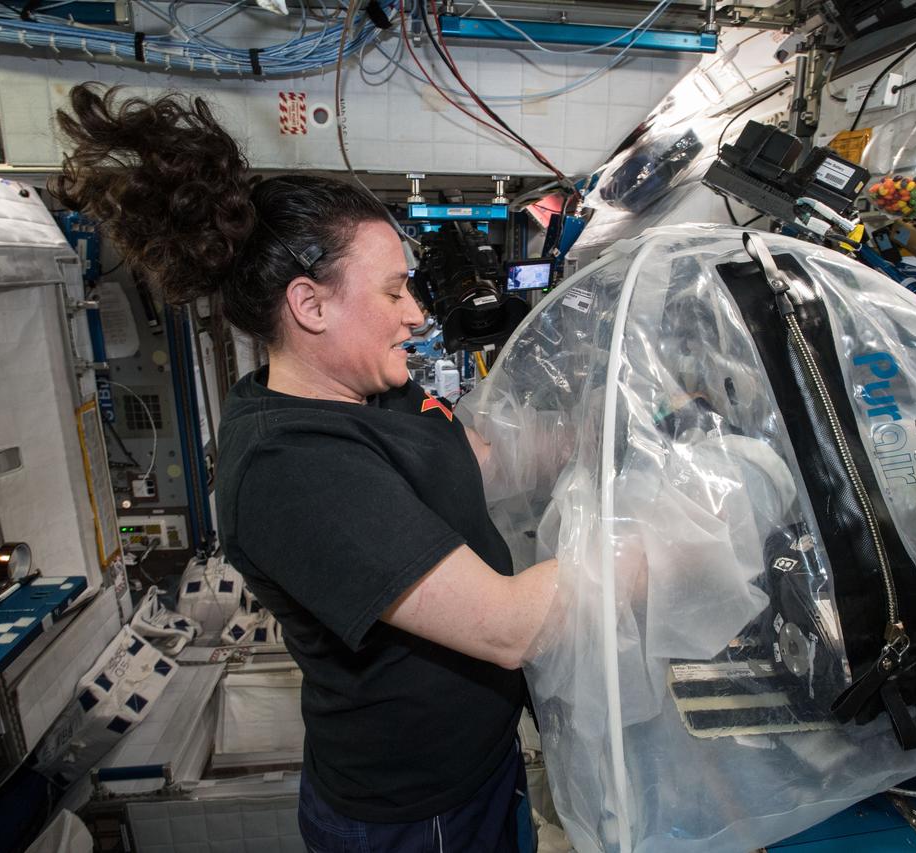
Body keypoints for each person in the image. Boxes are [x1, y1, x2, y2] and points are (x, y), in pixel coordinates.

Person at [52, 84, 560, 852]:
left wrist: (597, 438)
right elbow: (509, 626)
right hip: (415, 812)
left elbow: (479, 462)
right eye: (392, 291)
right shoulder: (291, 468)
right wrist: (649, 548)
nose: (416, 313)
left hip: (477, 764)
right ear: (310, 305)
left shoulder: (371, 393)